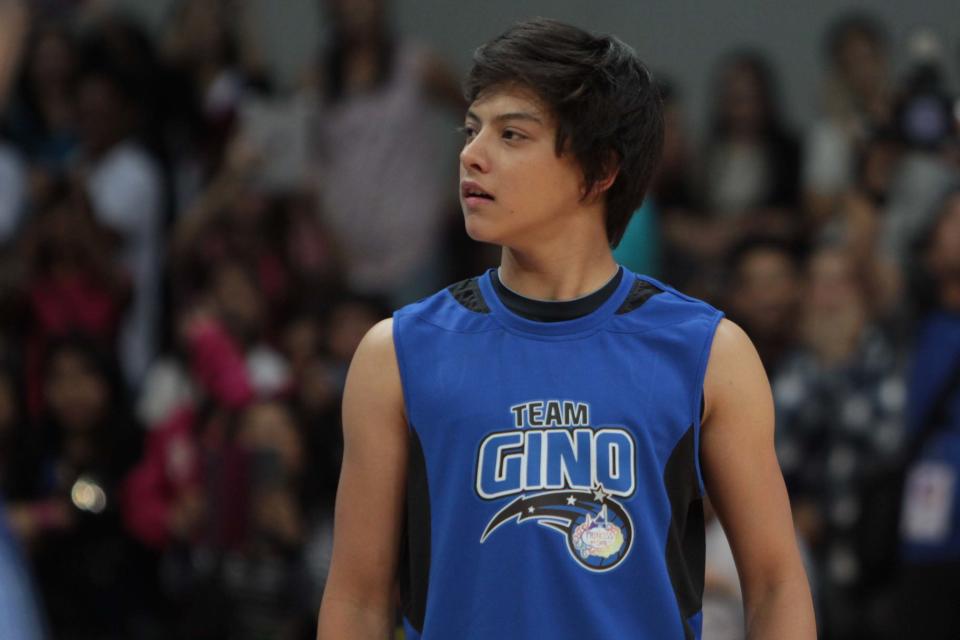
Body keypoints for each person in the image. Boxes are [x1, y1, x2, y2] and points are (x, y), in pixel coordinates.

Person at [317, 19, 814, 639]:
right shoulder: (396, 353)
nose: (472, 154)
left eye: (512, 134)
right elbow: (358, 601)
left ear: (600, 170)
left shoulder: (710, 352)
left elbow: (774, 584)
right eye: (471, 130)